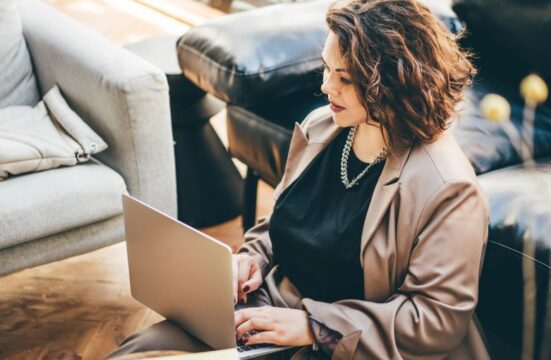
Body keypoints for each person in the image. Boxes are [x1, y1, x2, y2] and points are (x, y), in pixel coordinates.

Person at [107, 0, 489, 359]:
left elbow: (435, 321)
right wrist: (252, 258)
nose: (326, 87)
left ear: (391, 84)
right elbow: (282, 222)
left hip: (351, 344)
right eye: (326, 69)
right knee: (141, 351)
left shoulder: (449, 189)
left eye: (344, 78)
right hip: (269, 312)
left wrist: (313, 327)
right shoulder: (322, 126)